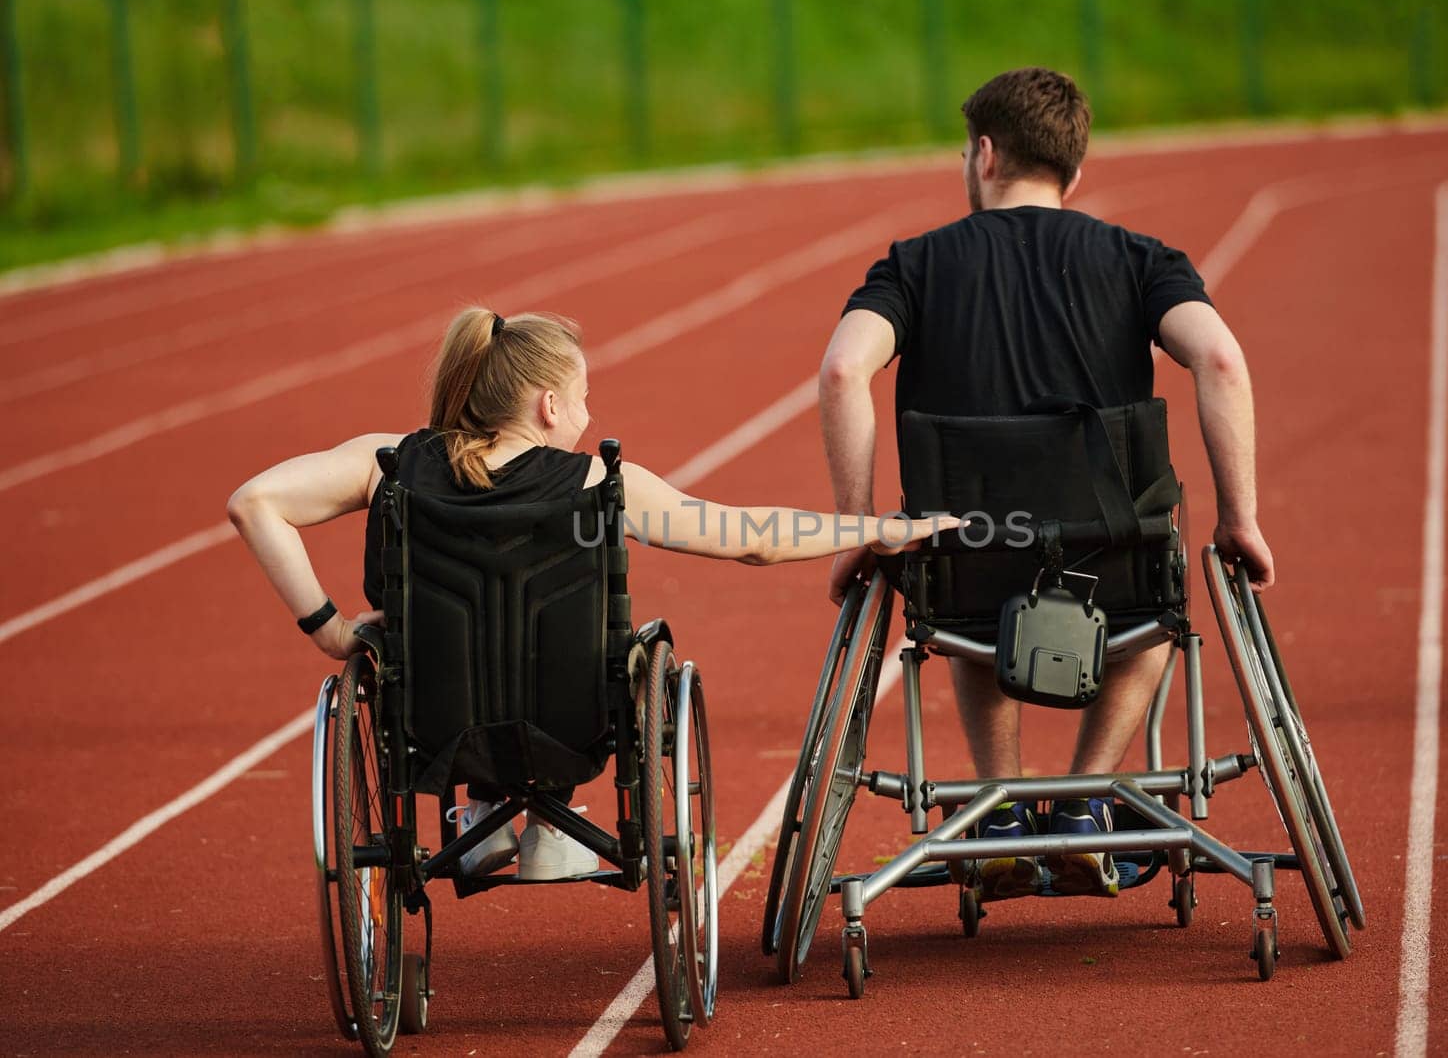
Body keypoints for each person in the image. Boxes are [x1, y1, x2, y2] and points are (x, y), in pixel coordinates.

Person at [229, 306, 953, 881]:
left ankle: (482, 818)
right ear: (548, 405)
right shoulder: (599, 485)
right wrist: (875, 529)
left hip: (431, 729)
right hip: (572, 727)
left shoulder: (388, 464)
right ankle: (550, 827)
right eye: (581, 394)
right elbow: (749, 537)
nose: (587, 409)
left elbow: (254, 500)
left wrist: (329, 630)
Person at [817, 67, 1274, 900]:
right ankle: (1083, 801)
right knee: (1158, 600)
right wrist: (1240, 515)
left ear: (984, 154)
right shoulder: (1139, 259)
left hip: (968, 570)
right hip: (1116, 568)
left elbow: (846, 370)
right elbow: (1220, 358)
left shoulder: (914, 265)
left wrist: (855, 527)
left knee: (966, 564)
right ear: (1073, 169)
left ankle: (995, 808)